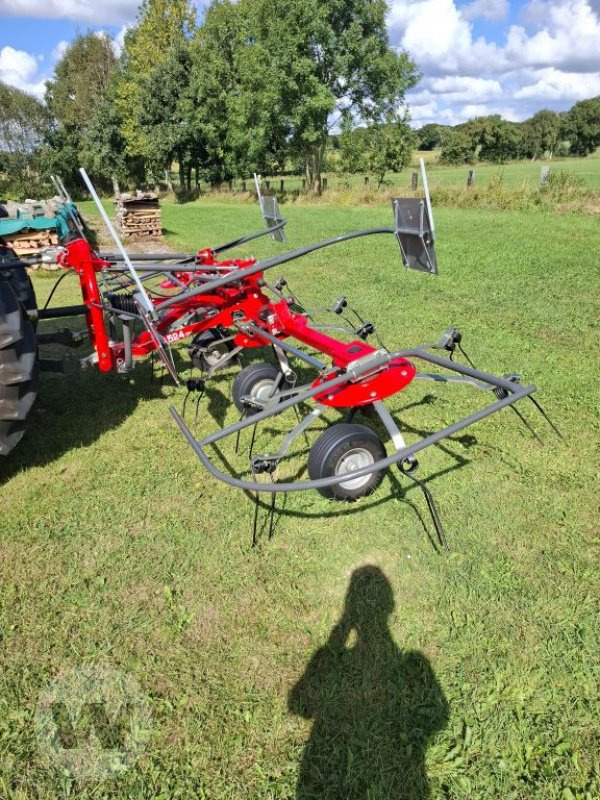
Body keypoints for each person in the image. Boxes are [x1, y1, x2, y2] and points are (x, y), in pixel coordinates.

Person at [289, 566, 448, 799]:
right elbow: (438, 717)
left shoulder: (331, 656)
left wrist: (343, 626)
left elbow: (299, 705)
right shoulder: (411, 662)